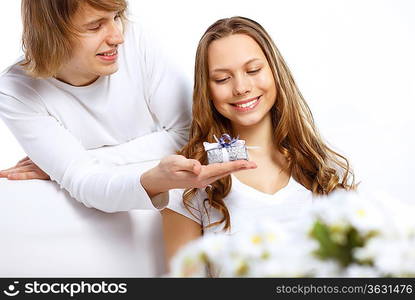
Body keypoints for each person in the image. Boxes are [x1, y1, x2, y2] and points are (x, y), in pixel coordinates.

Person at [0, 0, 255, 212]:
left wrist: (80, 161)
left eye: (116, 17)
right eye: (95, 26)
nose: (117, 37)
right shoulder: (16, 91)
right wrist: (148, 176)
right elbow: (85, 182)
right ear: (51, 33)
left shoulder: (136, 38)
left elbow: (191, 133)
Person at [161, 16, 356, 271]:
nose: (241, 87)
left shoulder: (325, 169)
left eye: (253, 70)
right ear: (207, 90)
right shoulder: (189, 184)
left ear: (275, 71)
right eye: (222, 79)